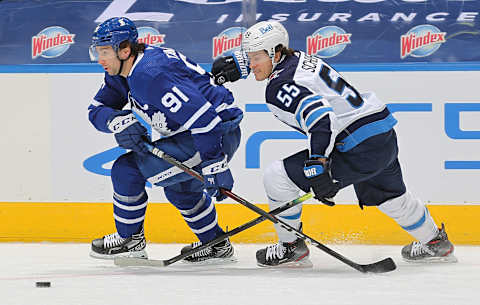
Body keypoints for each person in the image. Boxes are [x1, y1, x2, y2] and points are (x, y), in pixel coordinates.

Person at [211, 21, 456, 267]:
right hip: (381, 134)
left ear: (275, 52)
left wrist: (317, 163)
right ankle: (435, 242)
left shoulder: (278, 87)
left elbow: (321, 118)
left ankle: (290, 247)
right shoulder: (301, 57)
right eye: (249, 58)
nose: (251, 64)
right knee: (392, 197)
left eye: (255, 58)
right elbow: (282, 65)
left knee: (277, 176)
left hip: (356, 146)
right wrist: (243, 64)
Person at [87, 17, 243, 263]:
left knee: (126, 170)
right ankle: (215, 245)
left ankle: (130, 240)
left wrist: (214, 164)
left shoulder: (150, 74)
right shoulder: (123, 71)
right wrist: (117, 121)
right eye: (98, 52)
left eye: (105, 52)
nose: (100, 59)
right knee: (180, 190)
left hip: (214, 133)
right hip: (198, 133)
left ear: (125, 49)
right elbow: (97, 109)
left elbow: (204, 120)